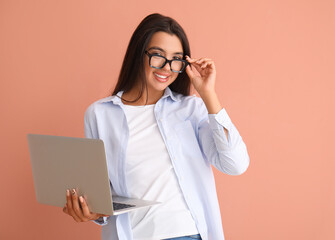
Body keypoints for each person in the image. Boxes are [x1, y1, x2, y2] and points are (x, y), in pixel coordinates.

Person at [62, 13, 250, 240]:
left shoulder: (191, 109)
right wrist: (89, 211)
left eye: (176, 59)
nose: (167, 67)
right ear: (138, 54)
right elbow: (103, 194)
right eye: (158, 56)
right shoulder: (100, 114)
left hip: (187, 234)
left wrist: (208, 94)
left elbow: (235, 164)